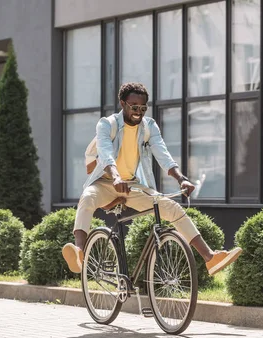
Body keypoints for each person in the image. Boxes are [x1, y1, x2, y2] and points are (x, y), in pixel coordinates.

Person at [62, 82, 242, 276]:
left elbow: (162, 154)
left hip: (131, 185)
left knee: (172, 207)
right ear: (122, 103)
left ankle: (210, 258)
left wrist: (181, 179)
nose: (138, 112)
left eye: (142, 108)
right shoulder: (107, 124)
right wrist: (115, 177)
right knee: (87, 197)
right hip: (105, 181)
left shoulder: (149, 127)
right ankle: (79, 252)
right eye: (134, 107)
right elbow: (105, 153)